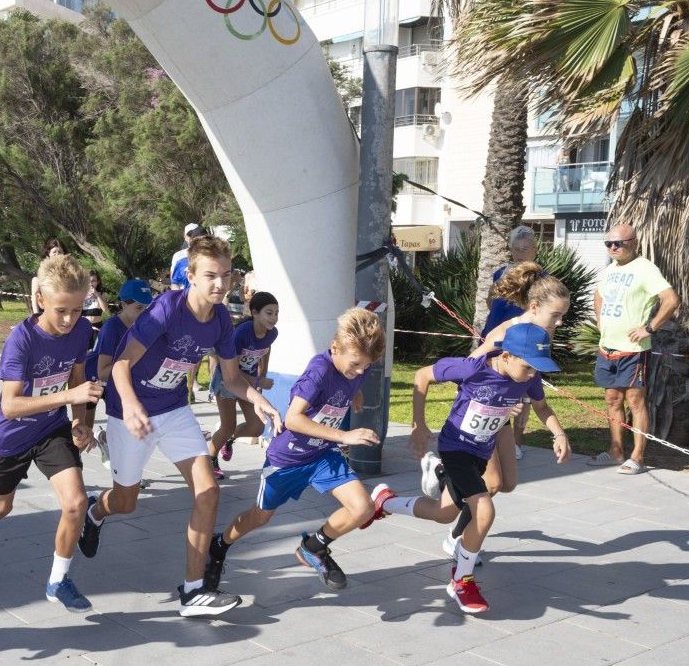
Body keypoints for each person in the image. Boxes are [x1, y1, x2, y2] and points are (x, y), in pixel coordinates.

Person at [79, 235, 283, 617]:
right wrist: (134, 407)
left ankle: (193, 592)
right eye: (210, 276)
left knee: (208, 492)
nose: (220, 284)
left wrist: (261, 402)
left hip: (173, 411)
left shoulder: (222, 318)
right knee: (125, 501)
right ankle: (95, 512)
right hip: (131, 411)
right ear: (190, 275)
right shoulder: (165, 310)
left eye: (226, 275)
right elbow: (120, 364)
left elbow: (233, 378)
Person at [367, 323, 572, 615]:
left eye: (536, 369)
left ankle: (385, 501)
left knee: (444, 513)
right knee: (484, 510)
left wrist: (559, 434)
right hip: (456, 448)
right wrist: (419, 424)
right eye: (528, 367)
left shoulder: (528, 377)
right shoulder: (472, 368)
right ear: (506, 357)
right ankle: (461, 580)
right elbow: (422, 375)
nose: (532, 374)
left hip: (481, 450)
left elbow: (542, 408)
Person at [0, 254, 102, 610]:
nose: (70, 320)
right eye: (61, 310)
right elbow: (10, 405)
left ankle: (58, 580)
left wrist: (81, 421)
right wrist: (71, 396)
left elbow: (77, 377)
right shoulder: (21, 340)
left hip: (51, 428)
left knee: (77, 502)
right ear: (41, 300)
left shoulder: (83, 330)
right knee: (0, 506)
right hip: (10, 435)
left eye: (77, 309)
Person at [205, 308, 385, 594]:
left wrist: (356, 392)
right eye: (356, 365)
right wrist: (344, 435)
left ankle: (313, 548)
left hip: (323, 455)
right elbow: (293, 419)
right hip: (287, 459)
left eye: (366, 366)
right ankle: (220, 544)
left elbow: (353, 380)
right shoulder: (319, 371)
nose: (361, 371)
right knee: (260, 517)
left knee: (362, 507)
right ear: (335, 347)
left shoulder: (357, 366)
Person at [592, 223, 679, 474]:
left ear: (634, 242)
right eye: (609, 244)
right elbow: (598, 295)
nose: (613, 248)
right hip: (607, 347)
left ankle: (638, 456)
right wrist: (600, 320)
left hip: (633, 349)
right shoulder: (610, 270)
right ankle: (616, 451)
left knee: (635, 401)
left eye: (619, 243)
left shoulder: (645, 269)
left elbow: (671, 299)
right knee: (612, 399)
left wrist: (649, 328)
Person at [476, 262, 570, 466]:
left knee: (505, 483)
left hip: (500, 412)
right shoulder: (505, 332)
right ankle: (441, 470)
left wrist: (559, 434)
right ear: (535, 307)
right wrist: (501, 401)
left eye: (563, 316)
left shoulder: (543, 332)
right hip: (477, 408)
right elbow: (470, 366)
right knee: (488, 483)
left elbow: (535, 391)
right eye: (556, 315)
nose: (560, 322)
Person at [206, 291, 278, 479]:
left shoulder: (272, 333)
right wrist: (258, 381)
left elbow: (266, 350)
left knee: (257, 427)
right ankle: (210, 460)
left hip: (249, 382)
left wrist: (262, 374)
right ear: (255, 313)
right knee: (228, 425)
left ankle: (229, 440)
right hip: (227, 381)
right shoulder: (242, 334)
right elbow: (232, 372)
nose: (274, 318)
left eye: (276, 313)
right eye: (269, 313)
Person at [87, 278, 153, 466]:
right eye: (139, 308)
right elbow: (102, 372)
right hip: (93, 380)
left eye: (148, 309)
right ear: (124, 304)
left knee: (129, 426)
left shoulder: (145, 326)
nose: (144, 314)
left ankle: (125, 469)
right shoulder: (111, 329)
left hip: (117, 381)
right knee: (83, 434)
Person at [483, 225, 540, 338]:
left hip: (520, 338)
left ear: (535, 250)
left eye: (525, 249)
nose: (520, 253)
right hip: (492, 332)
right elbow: (491, 303)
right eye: (516, 249)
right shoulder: (500, 273)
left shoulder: (541, 277)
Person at [29, 239, 65, 312]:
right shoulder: (42, 270)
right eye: (54, 252)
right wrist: (36, 314)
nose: (57, 254)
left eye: (60, 252)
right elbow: (35, 296)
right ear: (49, 253)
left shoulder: (68, 272)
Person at [169, 222, 201, 290]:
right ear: (185, 237)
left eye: (195, 235)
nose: (192, 237)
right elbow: (174, 282)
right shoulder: (178, 256)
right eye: (189, 235)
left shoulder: (208, 254)